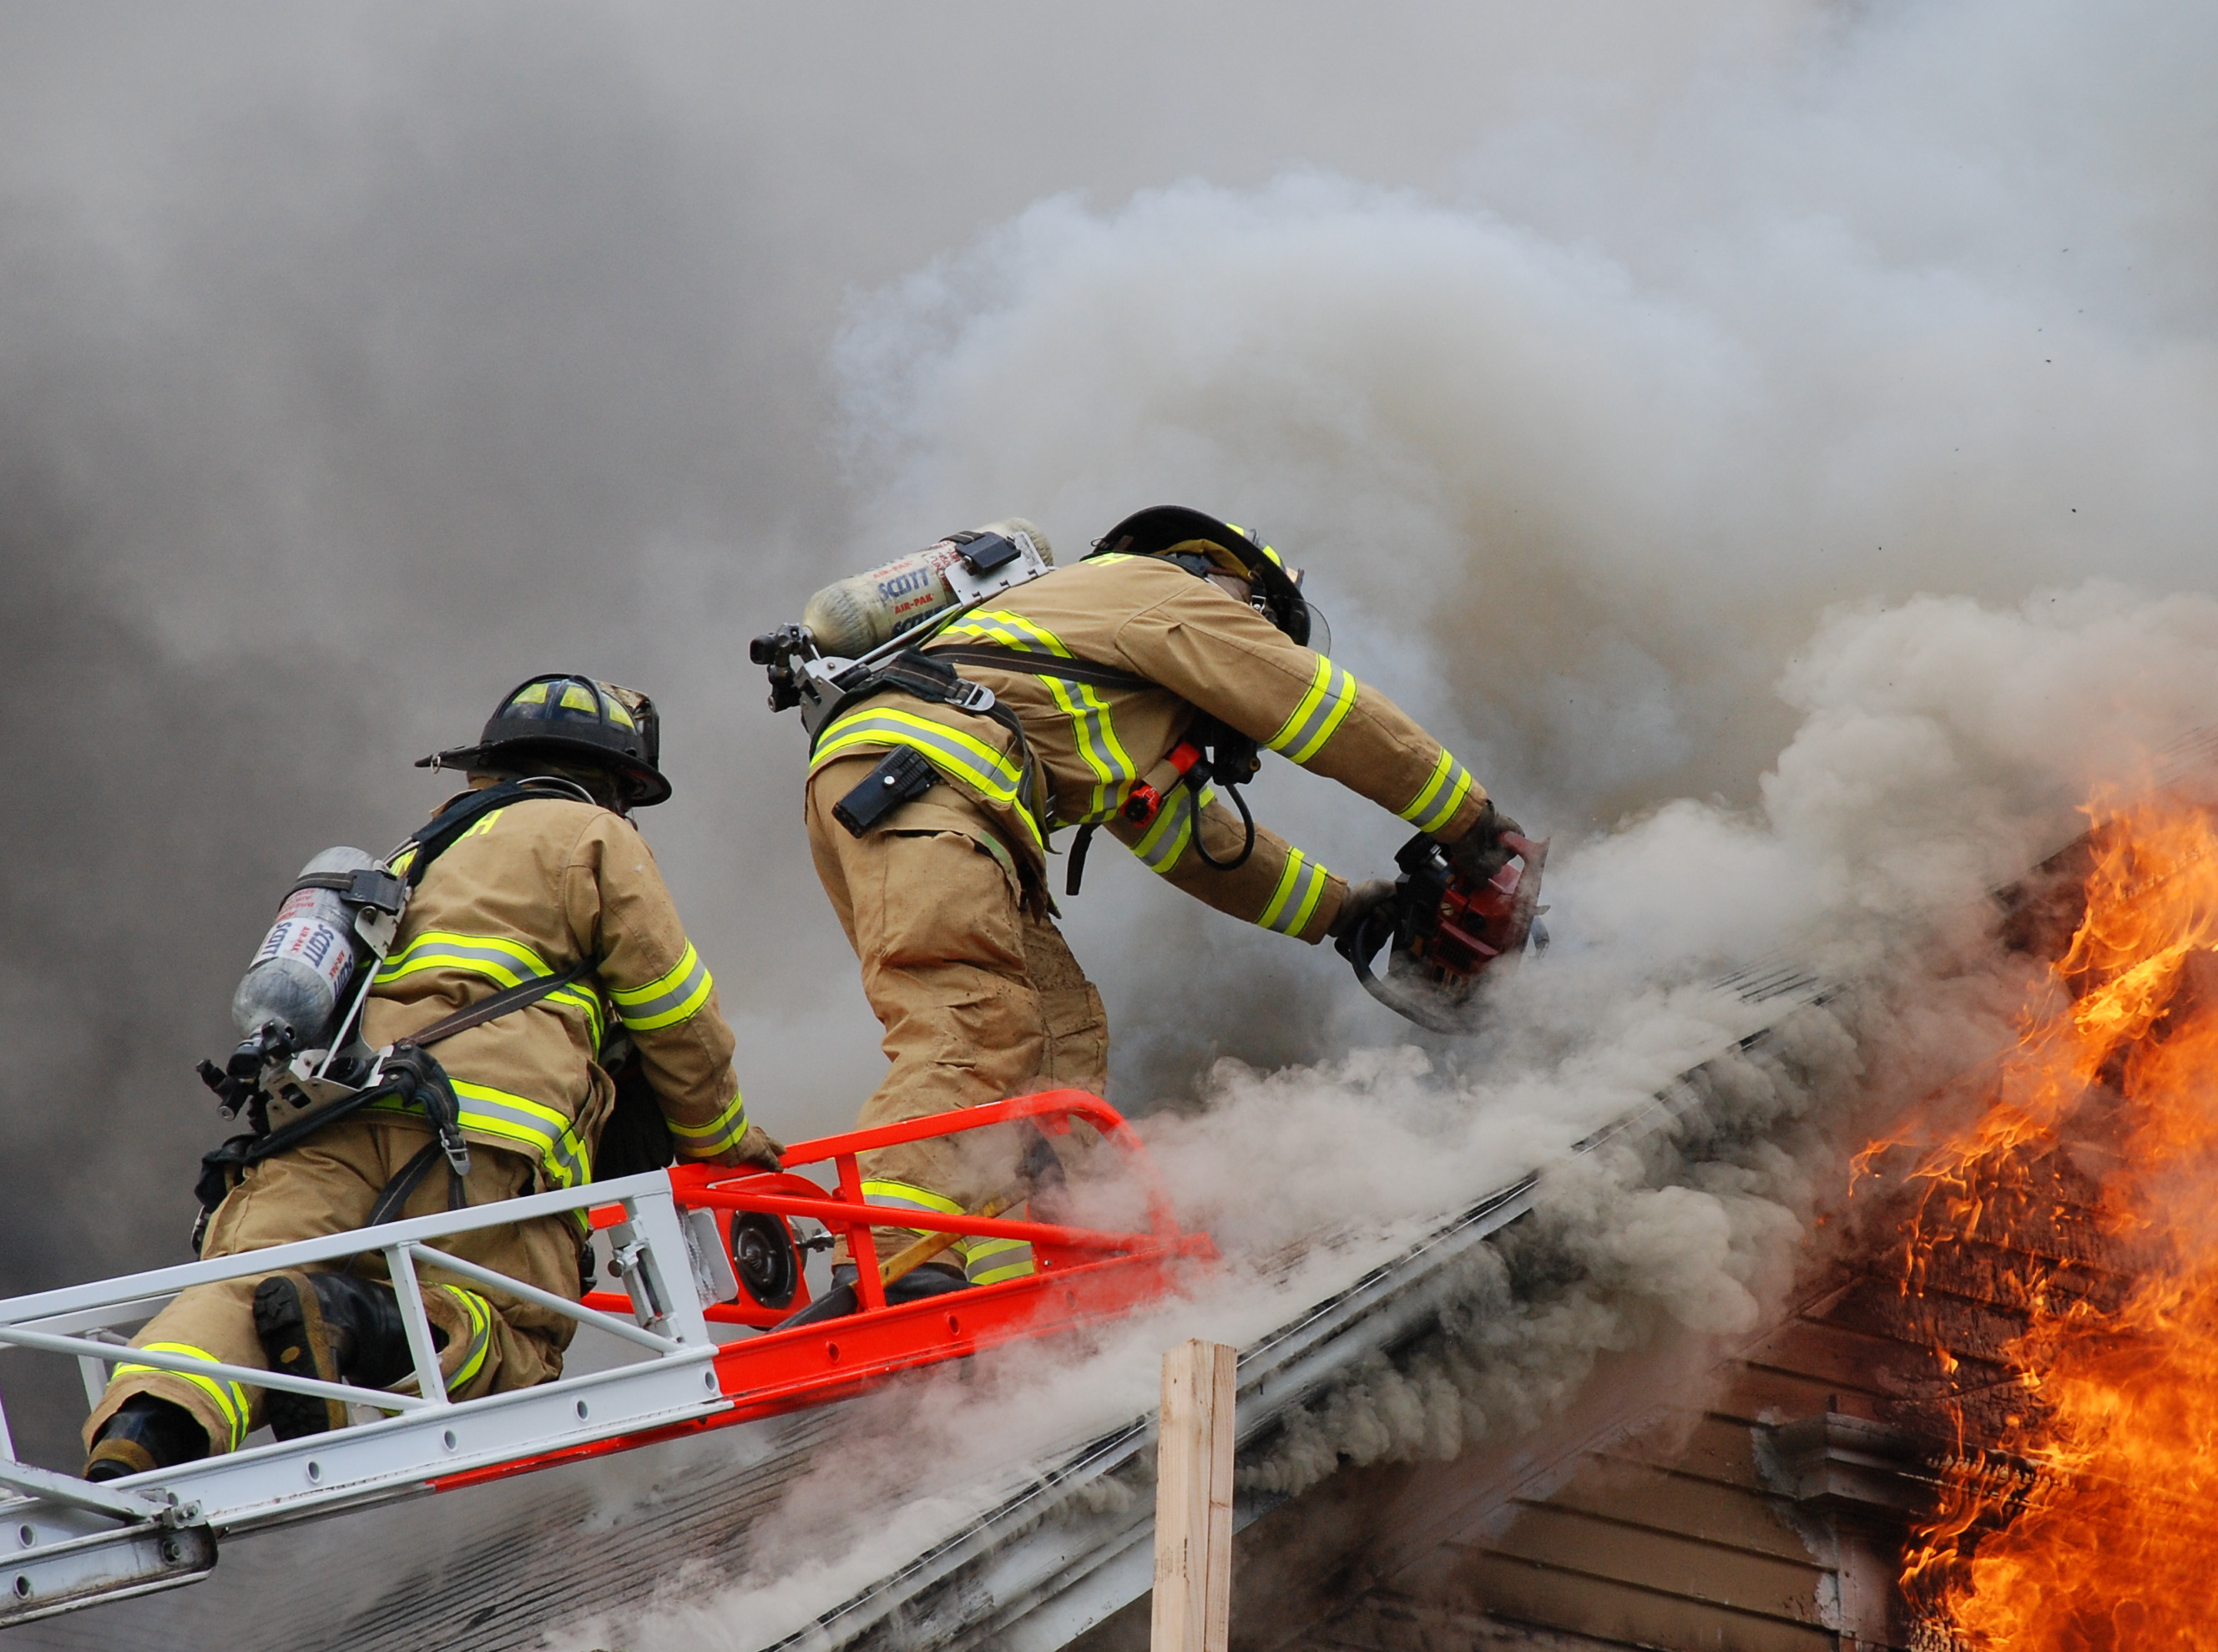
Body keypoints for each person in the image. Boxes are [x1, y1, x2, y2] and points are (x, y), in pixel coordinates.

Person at [798, 506, 1520, 1307]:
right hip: (931, 788)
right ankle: (890, 1261)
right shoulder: (1167, 591)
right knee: (970, 1023)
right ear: (1243, 588)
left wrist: (1345, 913)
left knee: (1052, 1048)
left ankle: (1018, 1289)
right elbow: (1320, 710)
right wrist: (1473, 825)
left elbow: (1194, 843)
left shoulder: (1097, 666)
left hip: (903, 794)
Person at [83, 674, 778, 1478]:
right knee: (516, 1337)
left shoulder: (412, 856)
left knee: (241, 1292)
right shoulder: (592, 835)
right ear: (616, 782)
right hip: (477, 1140)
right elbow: (676, 1012)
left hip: (322, 1125)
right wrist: (720, 1141)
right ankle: (349, 1320)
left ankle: (143, 1436)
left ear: (489, 767)